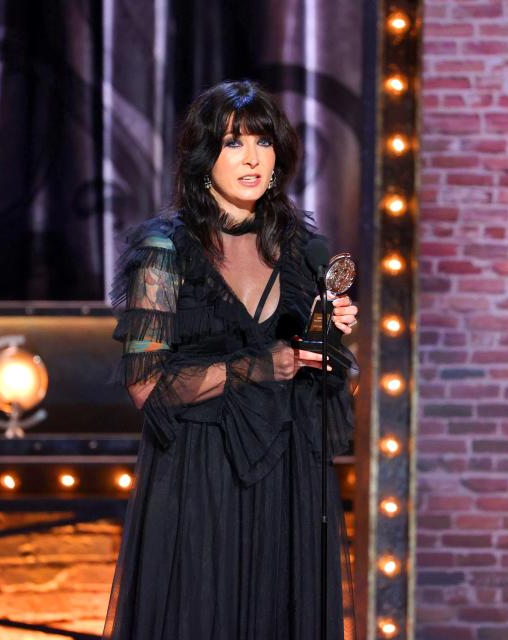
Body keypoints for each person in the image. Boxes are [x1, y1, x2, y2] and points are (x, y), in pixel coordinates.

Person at [102, 79, 358, 640]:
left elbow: (330, 394)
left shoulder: (298, 249)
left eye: (263, 144)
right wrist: (257, 367)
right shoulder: (164, 253)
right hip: (199, 480)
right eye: (233, 143)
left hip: (288, 482)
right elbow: (146, 387)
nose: (251, 159)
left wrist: (329, 343)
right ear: (203, 156)